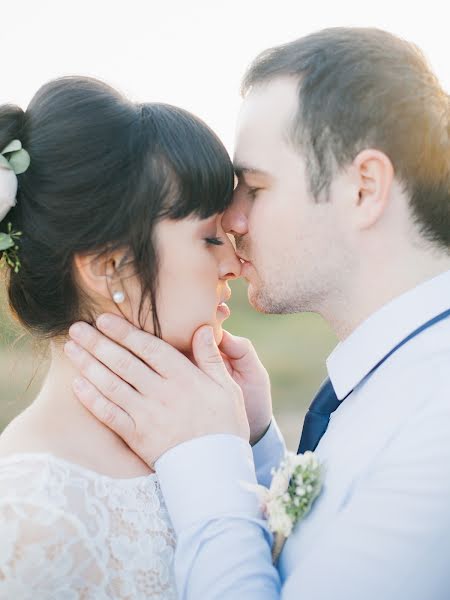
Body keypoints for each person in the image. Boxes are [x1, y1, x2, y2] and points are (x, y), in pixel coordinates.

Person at [66, 28, 450, 599]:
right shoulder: (402, 382)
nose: (232, 220)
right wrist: (254, 446)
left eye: (255, 188)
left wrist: (200, 457)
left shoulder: (436, 426)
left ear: (364, 188)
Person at [0, 75, 245, 598]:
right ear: (110, 267)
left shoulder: (212, 431)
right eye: (209, 238)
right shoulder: (25, 515)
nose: (234, 262)